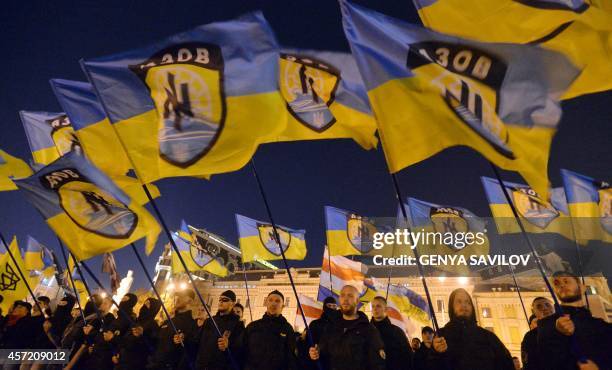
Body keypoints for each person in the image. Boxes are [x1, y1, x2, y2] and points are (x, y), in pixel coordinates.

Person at [537, 271, 611, 370]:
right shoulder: (547, 324)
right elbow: (547, 357)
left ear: (582, 288)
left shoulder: (600, 324)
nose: (562, 285)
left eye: (566, 281)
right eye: (556, 283)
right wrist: (557, 331)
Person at [429, 288, 514, 370]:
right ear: (452, 306)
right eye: (459, 302)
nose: (464, 305)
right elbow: (429, 366)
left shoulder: (488, 336)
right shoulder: (442, 336)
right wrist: (436, 353)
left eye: (468, 302)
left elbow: (506, 363)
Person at [309, 285, 386, 370]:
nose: (345, 299)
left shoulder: (369, 330)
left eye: (350, 296)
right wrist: (316, 353)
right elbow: (323, 353)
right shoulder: (331, 327)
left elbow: (378, 364)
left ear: (357, 301)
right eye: (342, 295)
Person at [242, 290, 298, 370]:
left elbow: (291, 358)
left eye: (277, 301)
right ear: (266, 303)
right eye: (270, 300)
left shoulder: (287, 329)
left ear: (282, 306)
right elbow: (243, 352)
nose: (273, 303)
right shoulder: (253, 326)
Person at [148, 289, 198, 370]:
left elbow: (192, 350)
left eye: (182, 296)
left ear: (190, 301)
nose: (177, 298)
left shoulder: (192, 324)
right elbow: (156, 341)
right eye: (177, 296)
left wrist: (184, 339)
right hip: (153, 365)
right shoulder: (168, 321)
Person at [195, 290, 245, 370]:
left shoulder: (237, 324)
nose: (221, 302)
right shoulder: (210, 321)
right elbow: (197, 341)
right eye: (220, 299)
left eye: (225, 300)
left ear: (232, 303)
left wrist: (229, 345)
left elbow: (240, 349)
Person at [114, 297, 162, 370]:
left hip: (134, 365)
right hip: (121, 362)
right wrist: (118, 353)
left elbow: (152, 345)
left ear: (153, 308)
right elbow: (126, 340)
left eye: (148, 304)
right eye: (145, 303)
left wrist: (142, 335)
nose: (144, 305)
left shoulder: (153, 325)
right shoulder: (136, 322)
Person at [371, 296, 413, 370]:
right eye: (373, 306)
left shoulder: (397, 332)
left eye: (378, 306)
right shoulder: (366, 331)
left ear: (386, 309)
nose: (375, 309)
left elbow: (408, 357)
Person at [298, 296, 339, 370]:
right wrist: (311, 351)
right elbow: (308, 345)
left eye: (334, 306)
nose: (332, 308)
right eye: (329, 305)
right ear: (324, 307)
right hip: (318, 364)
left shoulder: (341, 324)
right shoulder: (315, 324)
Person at [521, 297, 554, 370]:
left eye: (547, 305)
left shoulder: (567, 327)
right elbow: (528, 364)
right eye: (539, 307)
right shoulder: (530, 336)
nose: (545, 308)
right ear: (534, 313)